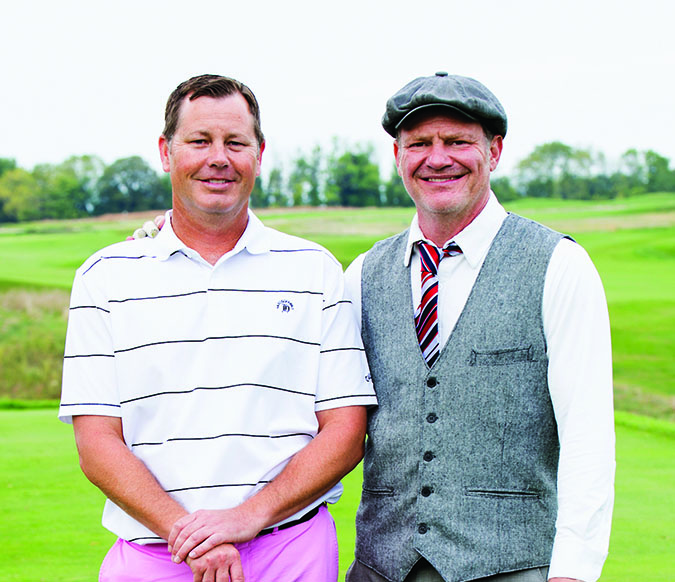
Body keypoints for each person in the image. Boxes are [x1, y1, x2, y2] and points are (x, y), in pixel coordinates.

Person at [59, 74, 377, 582]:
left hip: (289, 549)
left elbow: (344, 428)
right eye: (199, 141)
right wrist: (190, 535)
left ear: (259, 152)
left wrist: (247, 517)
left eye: (235, 142)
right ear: (166, 152)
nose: (218, 158)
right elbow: (97, 442)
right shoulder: (104, 277)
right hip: (155, 555)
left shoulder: (315, 269)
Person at [343, 73, 615, 582]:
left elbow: (588, 435)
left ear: (494, 152)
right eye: (419, 143)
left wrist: (574, 571)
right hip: (381, 568)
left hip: (512, 568)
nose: (437, 157)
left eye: (458, 142)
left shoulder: (558, 264)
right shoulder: (362, 274)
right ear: (397, 156)